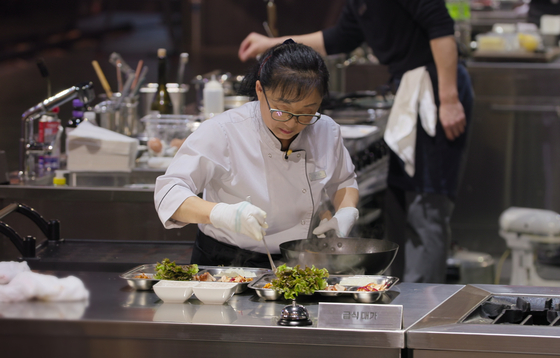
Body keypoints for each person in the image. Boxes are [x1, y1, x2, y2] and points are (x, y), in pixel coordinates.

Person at [238, 1, 474, 283]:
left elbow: (442, 29)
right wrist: (271, 44)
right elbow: (338, 38)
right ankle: (404, 290)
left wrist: (447, 98)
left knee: (426, 204)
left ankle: (427, 302)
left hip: (436, 95)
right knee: (402, 202)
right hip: (410, 93)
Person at [154, 40, 359, 268]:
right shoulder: (224, 131)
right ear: (260, 90)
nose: (291, 123)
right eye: (281, 110)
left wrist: (346, 212)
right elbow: (169, 195)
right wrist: (221, 213)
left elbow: (344, 180)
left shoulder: (326, 130)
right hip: (225, 264)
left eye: (306, 113)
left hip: (301, 261)